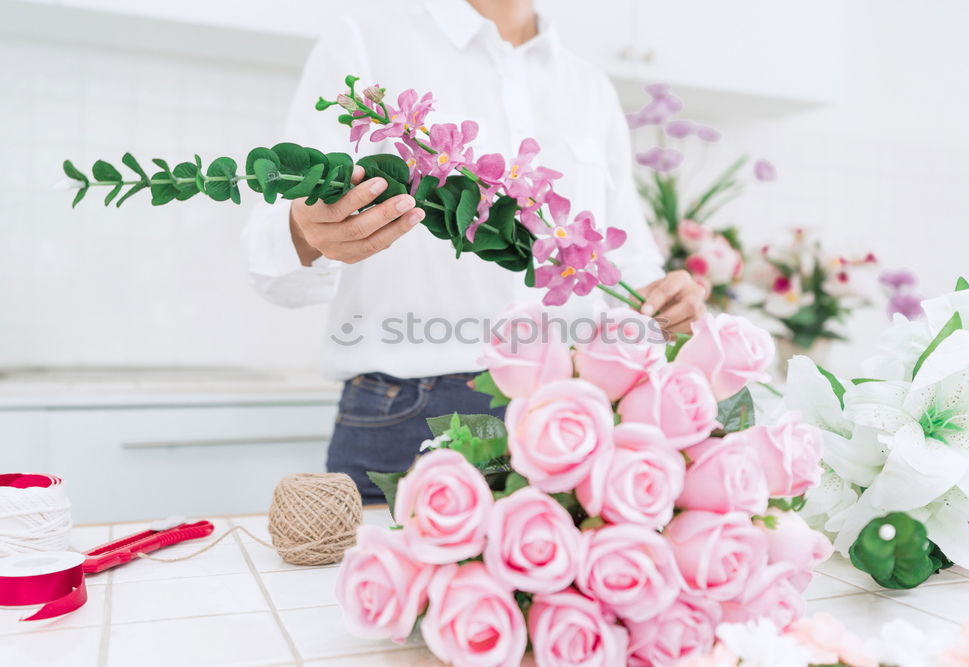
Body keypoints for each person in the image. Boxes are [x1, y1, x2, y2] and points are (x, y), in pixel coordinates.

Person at [242, 0, 707, 504]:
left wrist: (662, 300)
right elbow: (271, 256)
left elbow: (625, 263)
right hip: (413, 408)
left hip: (571, 411)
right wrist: (307, 232)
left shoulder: (589, 87)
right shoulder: (365, 41)